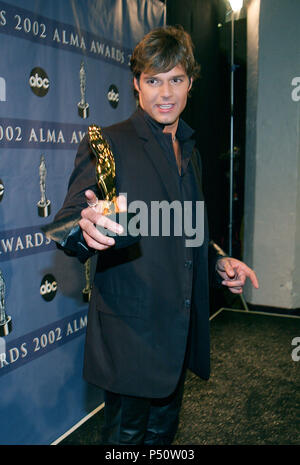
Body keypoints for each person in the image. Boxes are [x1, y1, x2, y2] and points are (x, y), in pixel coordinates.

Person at [45, 25, 259, 445]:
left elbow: (186, 230)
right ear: (136, 85)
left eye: (176, 79)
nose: (165, 93)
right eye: (153, 80)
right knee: (124, 442)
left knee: (163, 439)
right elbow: (67, 223)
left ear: (190, 84)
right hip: (130, 335)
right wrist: (85, 230)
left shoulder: (190, 149)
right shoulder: (108, 143)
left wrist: (218, 262)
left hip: (177, 331)